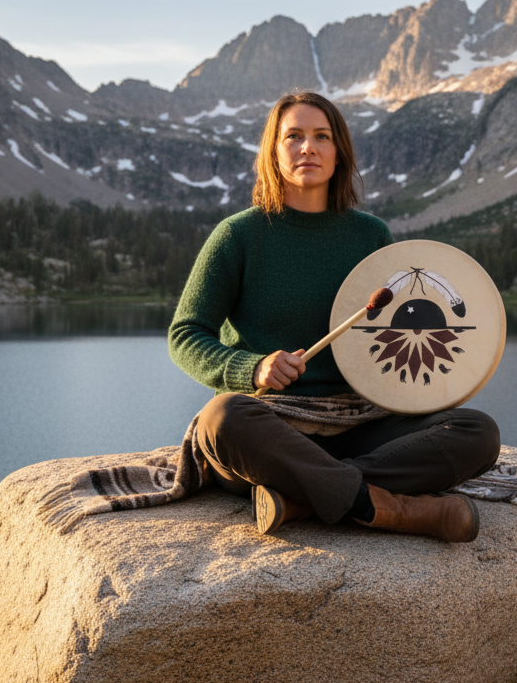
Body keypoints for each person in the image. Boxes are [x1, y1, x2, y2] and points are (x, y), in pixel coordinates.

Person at [169, 90, 499, 541]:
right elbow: (186, 334)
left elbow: (391, 337)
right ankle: (389, 507)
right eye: (294, 136)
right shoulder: (238, 236)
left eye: (322, 136)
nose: (308, 147)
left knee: (476, 431)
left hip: (358, 424)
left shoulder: (370, 235)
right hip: (272, 429)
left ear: (338, 151)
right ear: (273, 150)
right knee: (221, 418)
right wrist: (253, 367)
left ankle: (304, 496)